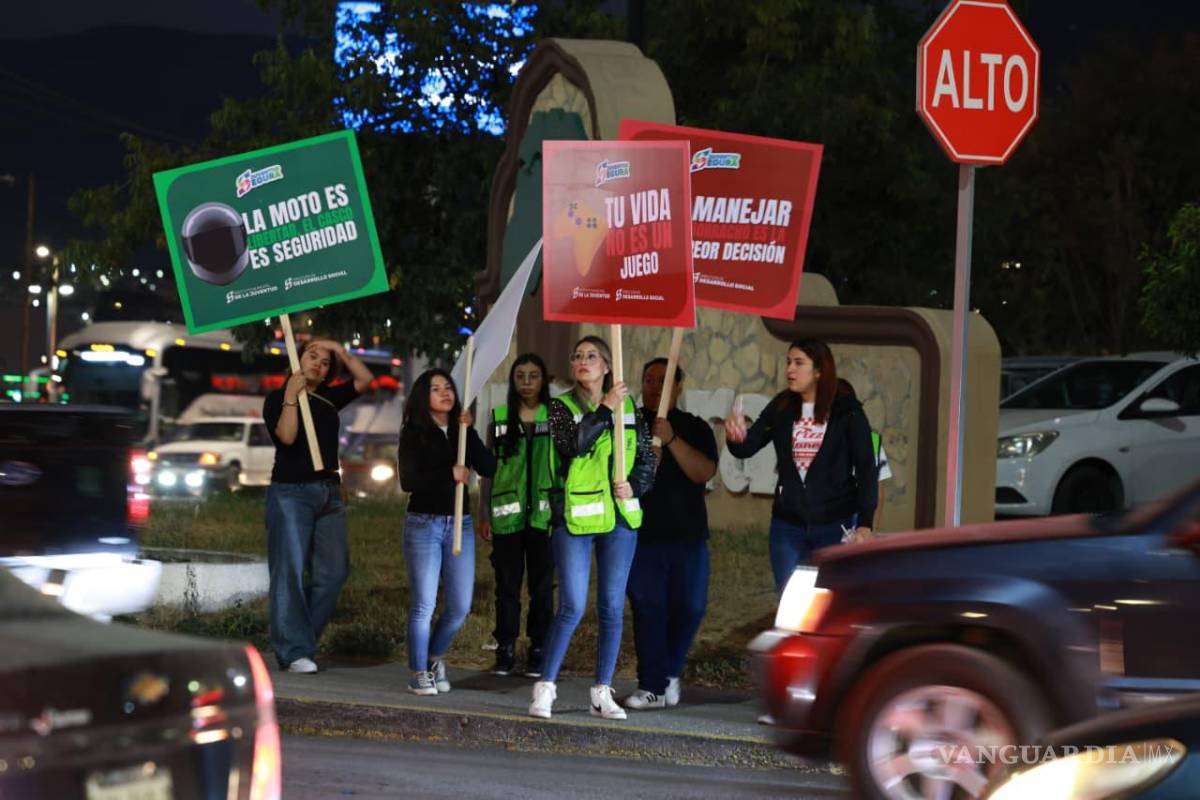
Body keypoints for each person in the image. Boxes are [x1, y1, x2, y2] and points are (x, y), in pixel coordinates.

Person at [528, 335, 656, 721]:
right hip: (577, 518)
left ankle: (602, 691)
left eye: (592, 356)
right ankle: (545, 689)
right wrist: (604, 408)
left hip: (620, 517)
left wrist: (634, 483)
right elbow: (573, 445)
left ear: (606, 365)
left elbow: (646, 457)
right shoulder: (560, 407)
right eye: (578, 356)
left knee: (612, 607)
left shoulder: (629, 407)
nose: (583, 361)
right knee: (572, 605)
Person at [724, 339, 877, 594]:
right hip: (788, 526)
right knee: (790, 600)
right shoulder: (781, 406)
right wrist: (735, 437)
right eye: (788, 362)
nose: (790, 370)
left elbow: (866, 470)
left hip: (835, 524)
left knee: (830, 601)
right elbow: (747, 447)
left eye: (798, 363)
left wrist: (865, 524)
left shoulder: (847, 411)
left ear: (819, 370)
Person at [262, 338, 374, 673]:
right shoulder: (276, 398)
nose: (318, 364)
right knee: (290, 572)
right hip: (290, 493)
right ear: (296, 361)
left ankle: (300, 640)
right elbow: (287, 436)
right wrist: (291, 397)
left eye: (324, 363)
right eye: (312, 357)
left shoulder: (328, 399)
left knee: (334, 572)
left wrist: (338, 350)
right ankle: (295, 650)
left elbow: (365, 380)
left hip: (329, 493)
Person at [625, 358, 718, 710]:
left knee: (690, 607)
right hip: (641, 536)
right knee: (648, 608)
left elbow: (703, 472)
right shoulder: (628, 424)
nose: (653, 386)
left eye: (663, 381)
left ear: (678, 387)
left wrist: (672, 440)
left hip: (688, 536)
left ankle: (670, 672)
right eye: (648, 379)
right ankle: (650, 685)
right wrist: (645, 461)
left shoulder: (694, 427)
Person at [398, 369, 496, 696]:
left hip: (460, 524)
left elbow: (488, 466)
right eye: (436, 388)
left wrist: (470, 431)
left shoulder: (460, 430)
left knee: (459, 606)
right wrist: (448, 473)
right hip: (423, 523)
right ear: (422, 396)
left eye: (448, 388)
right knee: (424, 604)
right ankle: (417, 672)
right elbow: (408, 481)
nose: (445, 393)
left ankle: (433, 657)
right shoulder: (413, 431)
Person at [478, 354, 556, 677]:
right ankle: (506, 648)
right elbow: (487, 472)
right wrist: (483, 512)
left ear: (543, 381)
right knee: (507, 587)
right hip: (506, 517)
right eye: (520, 376)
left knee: (542, 588)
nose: (526, 382)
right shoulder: (498, 418)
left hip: (544, 517)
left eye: (533, 376)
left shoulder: (555, 417)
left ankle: (539, 649)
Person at [836, 378, 893, 533]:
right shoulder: (871, 439)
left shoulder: (811, 436)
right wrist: (872, 529)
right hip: (857, 523)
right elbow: (878, 493)